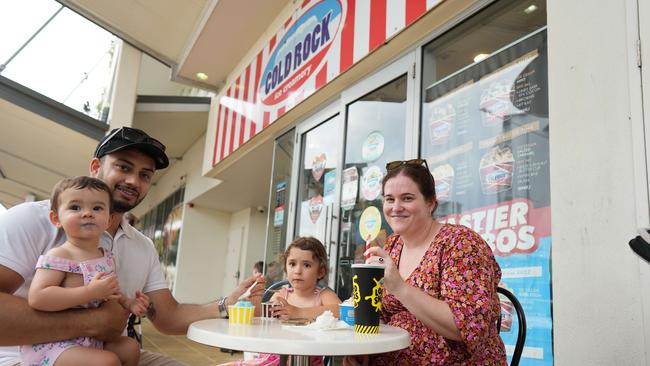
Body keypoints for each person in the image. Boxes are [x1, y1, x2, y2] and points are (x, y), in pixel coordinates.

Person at [0, 127, 265, 366]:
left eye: (145, 175)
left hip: (105, 350)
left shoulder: (142, 246)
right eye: (123, 167)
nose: (134, 182)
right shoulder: (32, 219)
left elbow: (168, 317)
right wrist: (93, 322)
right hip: (26, 357)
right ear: (95, 167)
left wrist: (227, 304)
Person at [344, 159, 507, 366]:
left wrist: (400, 288)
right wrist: (363, 350)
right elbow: (382, 313)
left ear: (431, 203)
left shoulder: (460, 243)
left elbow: (468, 326)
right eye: (389, 199)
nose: (396, 207)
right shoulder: (392, 246)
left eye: (407, 198)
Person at [22, 176, 149, 366]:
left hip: (91, 339)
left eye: (97, 208)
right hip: (56, 343)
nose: (87, 213)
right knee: (107, 361)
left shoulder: (105, 256)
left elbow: (110, 290)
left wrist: (129, 303)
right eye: (75, 207)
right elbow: (38, 297)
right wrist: (89, 292)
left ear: (108, 220)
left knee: (130, 347)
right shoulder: (60, 255)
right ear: (56, 218)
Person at [221, 237, 341, 366]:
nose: (297, 271)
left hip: (307, 361)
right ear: (285, 268)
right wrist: (255, 301)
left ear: (321, 271)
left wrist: (299, 312)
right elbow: (263, 322)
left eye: (306, 265)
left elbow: (343, 310)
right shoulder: (282, 294)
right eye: (292, 264)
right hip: (272, 357)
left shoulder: (323, 295)